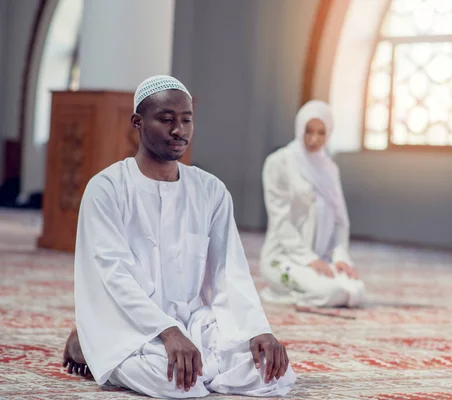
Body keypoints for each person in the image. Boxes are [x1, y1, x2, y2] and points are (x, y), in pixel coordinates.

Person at [61, 75, 296, 398]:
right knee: (175, 383)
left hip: (192, 322)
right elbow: (112, 275)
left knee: (273, 374)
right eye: (166, 119)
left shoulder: (210, 190)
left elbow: (229, 270)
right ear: (138, 122)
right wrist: (166, 331)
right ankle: (90, 340)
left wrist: (258, 329)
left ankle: (198, 364)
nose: (179, 130)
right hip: (128, 323)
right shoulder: (108, 188)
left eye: (186, 120)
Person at [259, 100, 365, 308]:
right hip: (285, 256)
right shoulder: (279, 162)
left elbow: (340, 221)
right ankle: (280, 293)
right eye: (308, 131)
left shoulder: (329, 168)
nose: (313, 139)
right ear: (299, 128)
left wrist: (341, 258)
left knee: (356, 290)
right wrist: (308, 259)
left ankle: (308, 286)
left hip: (321, 258)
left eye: (321, 133)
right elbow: (280, 221)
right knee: (333, 292)